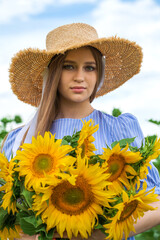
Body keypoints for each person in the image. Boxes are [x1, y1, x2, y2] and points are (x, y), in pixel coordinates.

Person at [1, 23, 160, 240]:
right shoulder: (19, 139)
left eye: (89, 67)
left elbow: (155, 201)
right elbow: (9, 215)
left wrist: (98, 233)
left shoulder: (121, 128)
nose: (79, 77)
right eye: (68, 66)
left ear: (99, 73)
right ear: (53, 72)